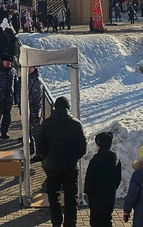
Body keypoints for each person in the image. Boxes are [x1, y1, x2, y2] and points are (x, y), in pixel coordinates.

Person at [35, 96, 87, 227]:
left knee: (53, 195)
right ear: (68, 108)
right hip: (70, 166)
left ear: (54, 108)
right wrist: (74, 157)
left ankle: (56, 222)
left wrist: (47, 156)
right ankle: (70, 223)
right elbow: (83, 146)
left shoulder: (47, 123)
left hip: (52, 166)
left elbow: (39, 144)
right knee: (71, 196)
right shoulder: (76, 124)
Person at [84, 132, 122, 227]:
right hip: (109, 195)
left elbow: (89, 179)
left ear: (99, 144)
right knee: (107, 219)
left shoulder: (95, 160)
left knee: (95, 221)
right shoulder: (116, 159)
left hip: (96, 197)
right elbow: (118, 178)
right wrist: (112, 188)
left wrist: (88, 192)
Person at [0, 54, 20, 140]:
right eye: (7, 61)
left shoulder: (13, 71)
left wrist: (16, 97)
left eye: (10, 62)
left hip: (9, 98)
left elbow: (16, 85)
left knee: (7, 116)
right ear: (3, 61)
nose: (8, 63)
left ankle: (4, 132)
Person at [27, 66, 44, 162]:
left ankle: (40, 153)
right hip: (28, 109)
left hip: (34, 111)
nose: (29, 70)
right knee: (29, 131)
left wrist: (26, 102)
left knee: (36, 133)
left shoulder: (36, 80)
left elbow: (35, 98)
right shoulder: (27, 77)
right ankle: (31, 148)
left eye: (31, 68)